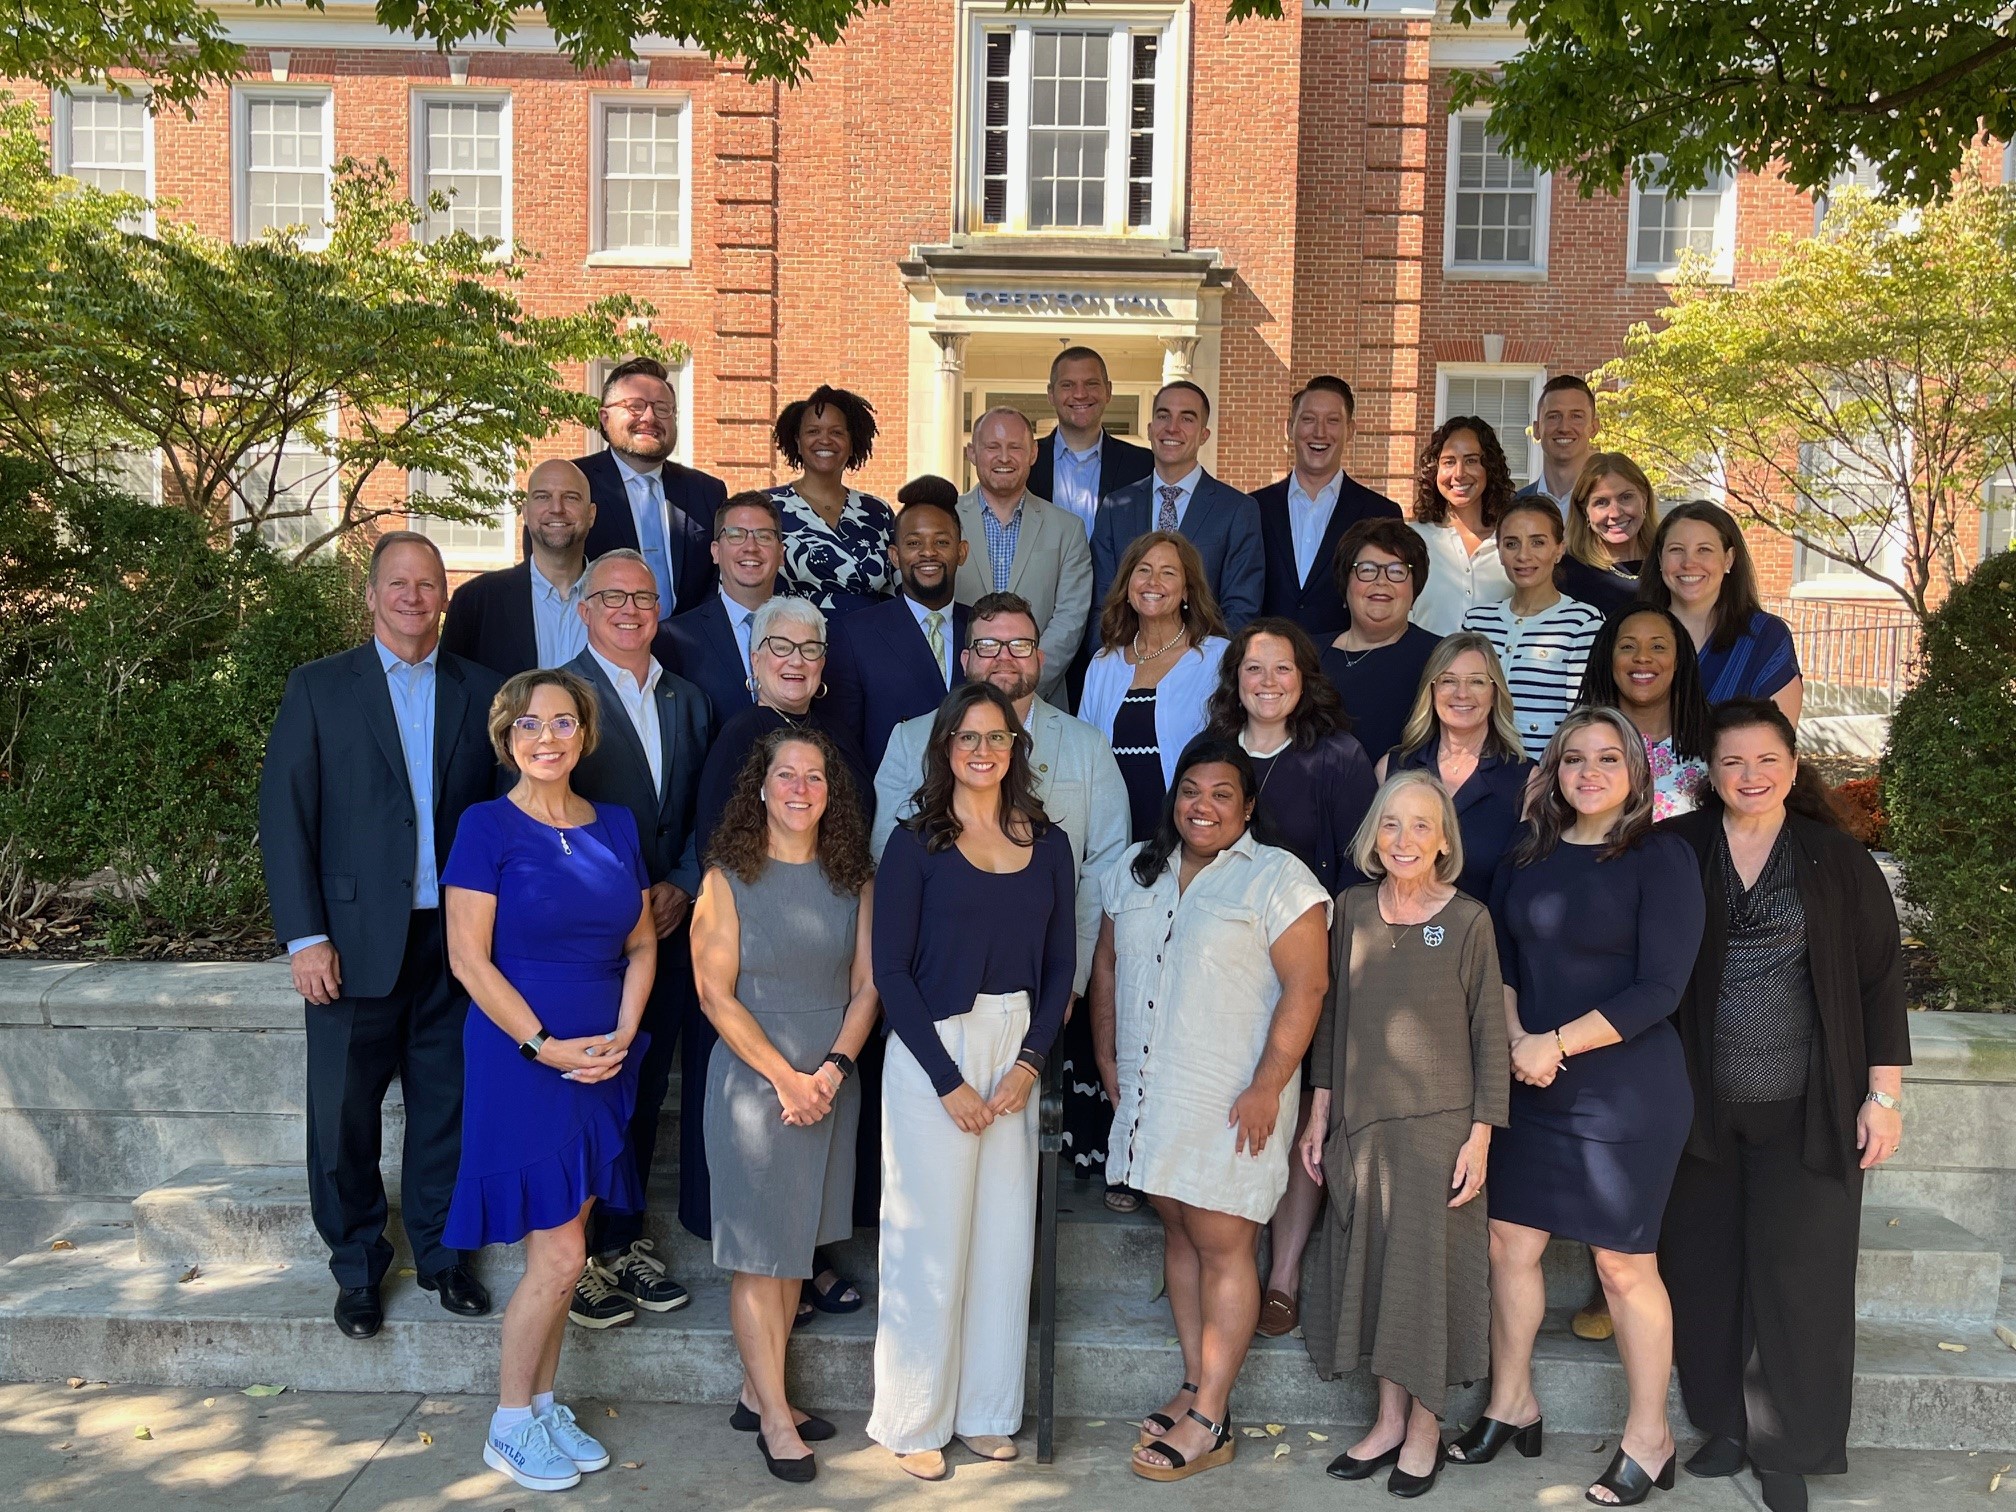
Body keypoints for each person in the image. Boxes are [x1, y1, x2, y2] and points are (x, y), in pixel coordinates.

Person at [1658, 700, 1909, 1512]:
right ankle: (1724, 1425)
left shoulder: (1837, 859)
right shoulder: (1678, 849)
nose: (1751, 776)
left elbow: (1879, 983)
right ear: (1708, 774)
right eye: (1732, 763)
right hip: (1697, 1107)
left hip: (1811, 1105)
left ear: (1793, 767)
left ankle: (1788, 1447)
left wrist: (1883, 1097)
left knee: (1800, 1279)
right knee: (1703, 1271)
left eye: (1766, 760)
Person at [257, 531, 504, 1340]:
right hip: (352, 941)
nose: (412, 596)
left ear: (444, 597)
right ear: (370, 596)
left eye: (427, 584)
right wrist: (304, 938)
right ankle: (358, 1268)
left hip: (455, 944)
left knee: (449, 1109)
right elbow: (285, 821)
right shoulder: (320, 688)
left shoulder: (482, 690)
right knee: (343, 1119)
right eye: (396, 583)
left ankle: (439, 1258)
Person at [1457, 707, 1705, 1508]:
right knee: (1508, 1245)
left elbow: (1661, 990)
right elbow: (1499, 959)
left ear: (1636, 771)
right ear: (1553, 772)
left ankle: (1649, 1437)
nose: (1589, 773)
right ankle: (1511, 1401)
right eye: (1573, 760)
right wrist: (1519, 1035)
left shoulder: (1661, 858)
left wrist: (1554, 1043)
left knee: (1623, 1266)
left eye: (1607, 758)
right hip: (1532, 1076)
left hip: (1626, 1089)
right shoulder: (1527, 854)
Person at [1091, 735, 1330, 1483]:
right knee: (1180, 1230)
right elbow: (1106, 965)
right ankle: (1195, 1381)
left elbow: (1308, 989)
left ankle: (1212, 1416)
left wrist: (1269, 1083)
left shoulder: (1279, 880)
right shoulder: (1135, 871)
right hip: (1152, 1086)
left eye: (1223, 793)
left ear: (1249, 805)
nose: (1203, 805)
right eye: (1191, 790)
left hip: (1233, 1094)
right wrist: (1105, 1056)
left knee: (1224, 1238)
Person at [441, 668, 654, 1494]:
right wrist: (543, 1046)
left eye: (561, 723)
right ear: (506, 739)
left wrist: (628, 1030)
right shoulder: (485, 826)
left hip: (604, 1056)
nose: (546, 739)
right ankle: (507, 1424)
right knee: (561, 1256)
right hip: (522, 1059)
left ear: (583, 734)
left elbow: (641, 943)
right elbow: (468, 957)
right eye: (528, 726)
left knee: (567, 1252)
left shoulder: (618, 825)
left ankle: (541, 1404)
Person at [869, 682, 1077, 1481]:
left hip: (1016, 1047)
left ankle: (988, 1410)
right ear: (946, 748)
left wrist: (1030, 1062)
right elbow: (890, 970)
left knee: (1001, 1238)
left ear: (1016, 749)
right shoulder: (914, 843)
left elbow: (1061, 964)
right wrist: (949, 1079)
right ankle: (913, 1417)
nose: (983, 751)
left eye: (998, 738)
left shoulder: (1048, 844)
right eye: (968, 738)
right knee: (929, 1239)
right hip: (935, 1053)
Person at [871, 592, 1131, 1190]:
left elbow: (1105, 865)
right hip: (939, 993)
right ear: (965, 658)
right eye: (988, 645)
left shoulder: (1087, 746)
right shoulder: (912, 739)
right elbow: (889, 855)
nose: (1004, 658)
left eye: (1018, 645)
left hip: (1034, 999)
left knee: (1005, 1209)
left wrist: (1067, 984)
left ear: (1040, 656)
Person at [1301, 771, 1508, 1498]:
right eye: (1391, 825)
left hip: (1439, 1134)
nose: (1405, 840)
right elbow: (1333, 1017)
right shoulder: (1351, 909)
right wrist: (1321, 1112)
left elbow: (1491, 1037)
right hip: (1362, 1127)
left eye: (1422, 825)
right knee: (1380, 1279)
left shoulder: (1471, 920)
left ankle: (1426, 1428)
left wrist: (1481, 1136)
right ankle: (1388, 1423)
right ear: (1373, 837)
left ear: (1444, 840)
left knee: (1422, 1283)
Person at [691, 727, 880, 1483]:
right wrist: (786, 1078)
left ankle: (753, 1390)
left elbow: (868, 987)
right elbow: (714, 993)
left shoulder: (854, 878)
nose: (801, 788)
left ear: (830, 795)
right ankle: (774, 1415)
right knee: (760, 1258)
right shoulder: (726, 877)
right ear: (761, 789)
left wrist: (831, 1070)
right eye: (787, 775)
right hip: (753, 1083)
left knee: (794, 1249)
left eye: (816, 777)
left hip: (831, 1079)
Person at [689, 594, 873, 1318]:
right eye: (781, 648)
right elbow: (724, 854)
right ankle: (775, 1278)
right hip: (758, 974)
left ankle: (802, 1264)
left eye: (809, 650)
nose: (796, 661)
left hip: (827, 973)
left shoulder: (836, 739)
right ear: (756, 658)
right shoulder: (739, 736)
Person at [1203, 618, 1376, 1335]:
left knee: (1301, 1111)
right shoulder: (1210, 754)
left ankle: (1284, 1271)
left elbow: (1359, 869)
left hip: (1311, 965)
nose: (1267, 683)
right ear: (1234, 680)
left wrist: (1332, 968)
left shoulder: (1336, 757)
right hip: (1224, 970)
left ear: (1303, 680)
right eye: (1253, 669)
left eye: (1282, 669)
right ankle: (1231, 1252)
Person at [560, 549, 714, 1328]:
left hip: (672, 928)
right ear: (584, 609)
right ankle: (575, 1256)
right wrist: (619, 906)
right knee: (590, 1093)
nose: (630, 610)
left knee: (645, 1090)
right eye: (612, 597)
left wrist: (682, 884)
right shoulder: (558, 700)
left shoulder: (687, 699)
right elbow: (537, 813)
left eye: (644, 598)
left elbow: (702, 813)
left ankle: (623, 1244)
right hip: (589, 941)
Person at [1079, 531, 1232, 844]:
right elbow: (1084, 753)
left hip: (1188, 835)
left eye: (1168, 573)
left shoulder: (1218, 657)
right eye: (1144, 570)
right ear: (1127, 586)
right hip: (1110, 834)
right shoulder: (1103, 662)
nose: (1153, 582)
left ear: (1187, 591)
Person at [1091, 381, 1265, 632]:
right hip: (1125, 663)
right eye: (1164, 416)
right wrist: (1115, 662)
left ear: (1204, 434)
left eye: (1187, 419)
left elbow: (1241, 610)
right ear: (1150, 429)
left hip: (1205, 664)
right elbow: (1102, 603)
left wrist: (1200, 667)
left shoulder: (1238, 510)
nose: (1172, 428)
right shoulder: (1115, 508)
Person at [955, 406, 1094, 705]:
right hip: (956, 697)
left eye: (1015, 447)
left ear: (1032, 454)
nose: (1004, 457)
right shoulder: (945, 523)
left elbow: (1070, 619)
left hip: (1041, 701)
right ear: (972, 453)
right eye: (992, 447)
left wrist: (1025, 683)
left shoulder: (1067, 529)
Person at [823, 497, 971, 775]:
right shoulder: (854, 634)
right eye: (914, 543)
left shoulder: (982, 628)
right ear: (894, 555)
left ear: (961, 552)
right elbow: (844, 749)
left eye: (942, 542)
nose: (928, 553)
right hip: (893, 808)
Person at [1381, 634, 1533, 905]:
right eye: (1449, 680)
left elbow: (1526, 890)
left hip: (1485, 941)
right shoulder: (1392, 768)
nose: (1462, 693)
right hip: (1397, 938)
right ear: (1432, 689)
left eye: (1476, 681)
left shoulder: (1529, 781)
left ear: (1495, 692)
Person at [1253, 376, 1404, 637]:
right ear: (1289, 428)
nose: (1319, 432)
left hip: (1347, 668)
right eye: (1308, 419)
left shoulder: (1381, 514)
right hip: (1268, 668)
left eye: (1332, 421)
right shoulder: (1252, 508)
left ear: (1351, 430)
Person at [575, 357, 724, 620]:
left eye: (663, 408)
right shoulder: (575, 484)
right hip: (599, 647)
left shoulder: (707, 492)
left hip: (687, 651)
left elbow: (718, 577)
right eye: (634, 406)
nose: (649, 417)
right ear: (605, 417)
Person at [1461, 498, 1605, 750]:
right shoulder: (1476, 621)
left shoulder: (1583, 623)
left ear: (1559, 549)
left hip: (1544, 776)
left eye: (1537, 542)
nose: (1523, 555)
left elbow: (1583, 720)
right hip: (1476, 769)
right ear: (1500, 552)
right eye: (1511, 544)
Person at [1642, 500, 1804, 721]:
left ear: (1728, 559)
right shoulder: (1632, 634)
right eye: (1677, 550)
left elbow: (1776, 743)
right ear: (1660, 558)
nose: (1689, 563)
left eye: (1704, 550)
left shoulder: (1765, 638)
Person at [441, 459, 595, 677]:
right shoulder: (475, 602)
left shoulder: (619, 602)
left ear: (591, 514)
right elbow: (452, 694)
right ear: (525, 512)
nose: (557, 508)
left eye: (570, 497)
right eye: (543, 497)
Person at [1318, 518, 1443, 766]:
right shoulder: (1306, 655)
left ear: (1414, 588)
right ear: (1346, 584)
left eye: (1397, 571)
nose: (1381, 582)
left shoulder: (1439, 658)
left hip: (1402, 798)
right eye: (1367, 570)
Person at [767, 385, 896, 617]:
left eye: (836, 432)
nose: (824, 440)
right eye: (813, 431)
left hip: (870, 643)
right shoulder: (768, 508)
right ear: (797, 441)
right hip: (794, 644)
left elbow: (897, 590)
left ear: (851, 442)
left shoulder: (878, 513)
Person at [1579, 606, 1714, 823]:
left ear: (1678, 660)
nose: (1642, 657)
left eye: (1658, 646)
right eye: (1628, 646)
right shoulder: (1576, 742)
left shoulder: (1714, 742)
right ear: (1609, 658)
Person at [660, 491, 785, 720]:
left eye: (764, 536)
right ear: (715, 552)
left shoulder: (809, 632)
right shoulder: (673, 639)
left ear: (781, 553)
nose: (751, 547)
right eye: (736, 535)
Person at [1027, 345, 1155, 538]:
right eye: (1067, 385)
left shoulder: (1143, 465)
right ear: (1051, 394)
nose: (1080, 394)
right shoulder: (1026, 462)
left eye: (1091, 383)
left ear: (1108, 391)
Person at [1408, 416, 1515, 634]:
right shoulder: (1412, 541)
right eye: (1449, 462)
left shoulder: (1511, 543)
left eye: (1471, 460)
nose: (1459, 474)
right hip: (1425, 668)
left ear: (1490, 468)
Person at [1560, 453, 1659, 616]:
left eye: (1626, 497)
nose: (1615, 513)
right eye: (1601, 502)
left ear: (1645, 498)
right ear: (1585, 510)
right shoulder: (1566, 574)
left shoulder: (1668, 562)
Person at [1515, 374, 1601, 516]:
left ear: (1594, 428)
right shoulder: (1514, 508)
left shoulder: (1613, 507)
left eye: (1576, 416)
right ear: (1537, 429)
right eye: (1554, 416)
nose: (1564, 428)